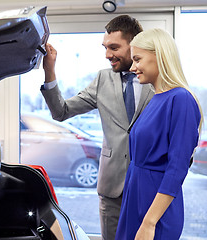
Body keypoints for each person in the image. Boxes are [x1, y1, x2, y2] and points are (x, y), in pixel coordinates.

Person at [41, 15, 154, 240]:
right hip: (112, 187)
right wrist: (50, 71)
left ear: (134, 45)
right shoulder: (102, 80)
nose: (107, 55)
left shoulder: (155, 78)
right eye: (105, 47)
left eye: (114, 47)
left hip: (148, 187)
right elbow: (61, 111)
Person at [115, 28, 203, 240]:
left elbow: (177, 168)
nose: (133, 67)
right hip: (135, 197)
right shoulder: (156, 98)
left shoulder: (180, 99)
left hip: (155, 208)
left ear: (159, 56)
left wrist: (149, 222)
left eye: (138, 59)